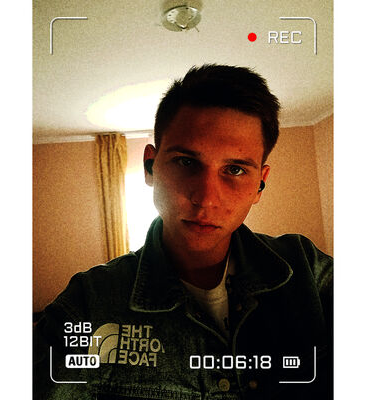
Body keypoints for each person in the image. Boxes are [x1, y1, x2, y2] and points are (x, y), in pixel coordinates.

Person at [34, 64, 333, 400]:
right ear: (150, 166)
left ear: (259, 184)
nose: (206, 198)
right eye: (186, 162)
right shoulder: (89, 304)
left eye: (235, 169)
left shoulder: (307, 272)